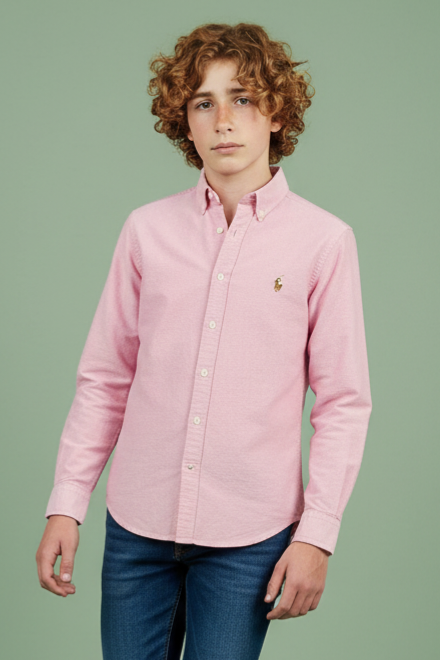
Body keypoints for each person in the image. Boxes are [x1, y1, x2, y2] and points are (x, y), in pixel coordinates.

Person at [35, 21, 372, 660]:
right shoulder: (146, 231)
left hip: (251, 537)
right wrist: (66, 504)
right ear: (183, 123)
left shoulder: (324, 243)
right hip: (136, 529)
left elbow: (343, 403)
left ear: (277, 114)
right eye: (203, 103)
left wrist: (317, 535)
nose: (223, 120)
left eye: (243, 98)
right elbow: (106, 378)